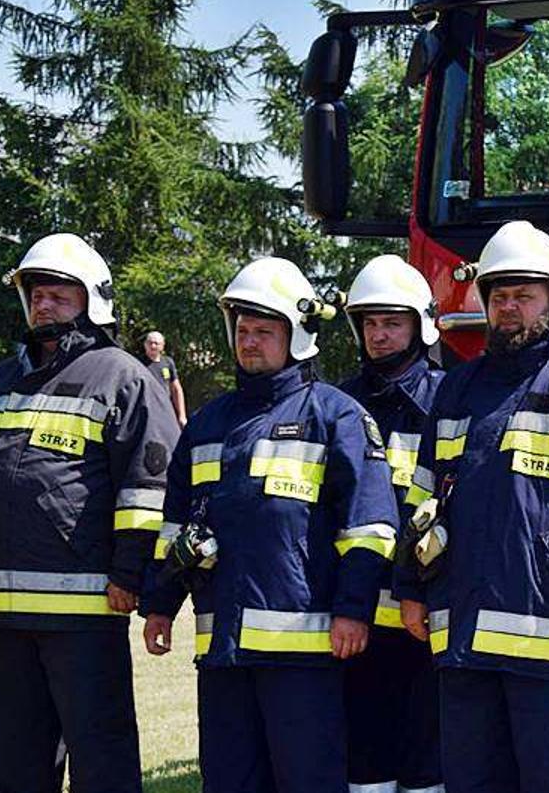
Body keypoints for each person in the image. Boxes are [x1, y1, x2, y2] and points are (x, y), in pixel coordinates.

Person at [394, 221, 549, 793]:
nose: (509, 308)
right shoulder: (456, 389)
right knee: (472, 782)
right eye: (499, 295)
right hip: (462, 634)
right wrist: (409, 587)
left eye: (524, 296)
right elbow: (422, 498)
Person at [139, 257, 400, 793]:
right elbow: (176, 526)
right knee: (229, 780)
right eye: (243, 330)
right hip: (223, 651)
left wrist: (353, 610)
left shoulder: (337, 417)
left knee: (308, 781)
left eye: (264, 331)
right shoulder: (207, 424)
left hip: (304, 655)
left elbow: (370, 526)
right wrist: (160, 603)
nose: (249, 342)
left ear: (296, 336)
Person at [0, 233, 180, 792]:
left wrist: (129, 574)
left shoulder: (123, 377)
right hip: (3, 611)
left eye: (58, 296)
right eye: (36, 294)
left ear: (92, 300)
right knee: (12, 766)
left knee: (101, 763)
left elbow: (149, 488)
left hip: (86, 612)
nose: (43, 305)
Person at [336, 254, 447, 793]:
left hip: (426, 611)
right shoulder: (338, 404)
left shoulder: (450, 399)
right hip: (357, 612)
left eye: (392, 323)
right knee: (366, 756)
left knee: (428, 753)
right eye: (370, 323)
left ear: (419, 326)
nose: (379, 336)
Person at [140, 331, 188, 427]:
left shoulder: (168, 362)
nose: (153, 346)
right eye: (150, 343)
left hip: (165, 408)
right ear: (145, 345)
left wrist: (182, 415)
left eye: (156, 343)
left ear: (162, 346)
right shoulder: (138, 363)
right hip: (146, 410)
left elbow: (176, 389)